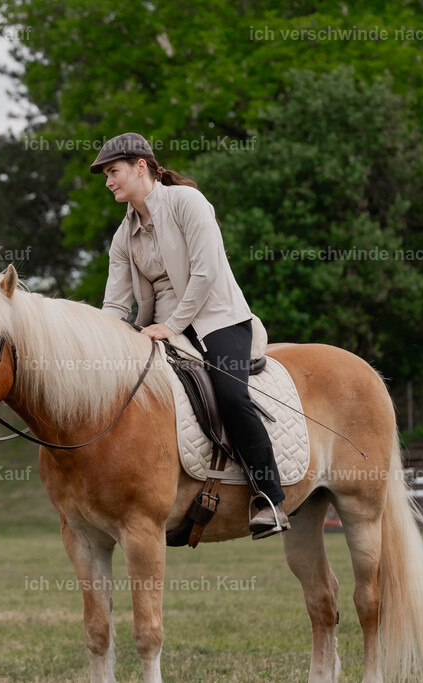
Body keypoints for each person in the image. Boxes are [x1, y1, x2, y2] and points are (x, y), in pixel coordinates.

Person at [91, 132, 289, 539]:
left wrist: (173, 325)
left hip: (218, 319)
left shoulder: (187, 202)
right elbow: (115, 304)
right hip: (160, 329)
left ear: (141, 167)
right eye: (106, 175)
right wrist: (97, 345)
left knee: (231, 395)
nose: (108, 182)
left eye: (113, 172)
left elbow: (206, 272)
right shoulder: (123, 236)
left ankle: (269, 499)